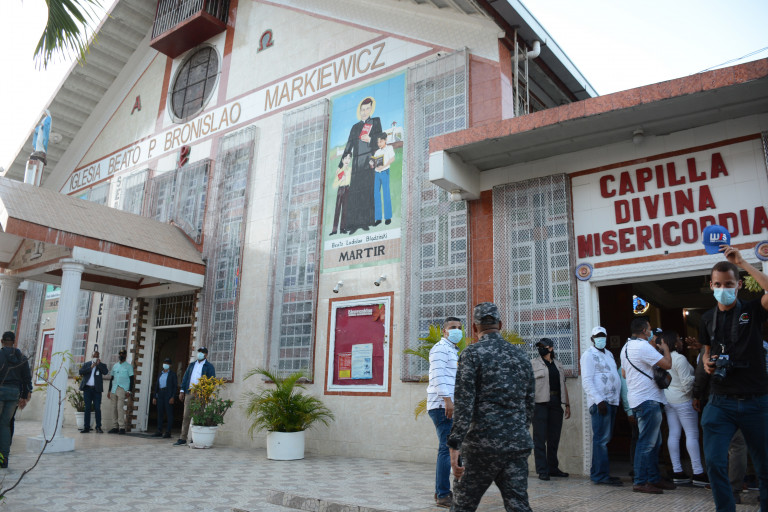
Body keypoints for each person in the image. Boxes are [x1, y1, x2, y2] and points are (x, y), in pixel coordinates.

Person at [447, 302, 535, 512]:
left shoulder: (472, 354)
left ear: (474, 327)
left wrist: (455, 444)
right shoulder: (521, 356)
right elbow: (529, 403)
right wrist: (517, 432)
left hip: (481, 447)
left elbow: (464, 403)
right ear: (500, 325)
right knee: (519, 506)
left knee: (462, 506)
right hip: (516, 445)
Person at [700, 246, 768, 512]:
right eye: (718, 284)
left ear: (738, 285)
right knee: (715, 463)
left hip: (756, 401)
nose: (723, 288)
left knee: (764, 467)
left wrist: (743, 263)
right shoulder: (707, 318)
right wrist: (706, 362)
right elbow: (707, 351)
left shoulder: (752, 310)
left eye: (728, 284)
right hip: (720, 401)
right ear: (711, 285)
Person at [620, 317, 674, 494]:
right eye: (649, 328)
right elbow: (667, 364)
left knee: (653, 443)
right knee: (646, 443)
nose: (651, 331)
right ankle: (641, 481)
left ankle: (653, 478)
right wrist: (665, 348)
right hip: (648, 400)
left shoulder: (625, 348)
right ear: (644, 330)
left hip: (638, 399)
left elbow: (625, 374)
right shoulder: (643, 346)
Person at [661, 331, 707, 486]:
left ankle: (677, 471)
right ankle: (698, 472)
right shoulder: (679, 358)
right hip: (683, 399)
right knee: (692, 435)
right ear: (674, 343)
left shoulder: (663, 358)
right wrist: (696, 390)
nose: (681, 341)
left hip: (669, 399)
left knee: (674, 434)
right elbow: (686, 383)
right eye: (679, 339)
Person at [427, 316, 462, 508]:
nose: (457, 330)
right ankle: (442, 494)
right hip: (442, 406)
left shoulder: (451, 350)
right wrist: (447, 400)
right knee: (446, 448)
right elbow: (438, 376)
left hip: (448, 405)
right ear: (444, 331)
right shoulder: (440, 348)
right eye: (453, 327)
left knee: (451, 448)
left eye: (460, 327)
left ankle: (442, 491)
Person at [580, 326, 622, 486]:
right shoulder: (588, 355)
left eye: (603, 335)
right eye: (597, 336)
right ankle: (600, 475)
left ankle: (599, 472)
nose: (601, 338)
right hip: (601, 403)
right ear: (592, 339)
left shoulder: (609, 354)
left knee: (605, 439)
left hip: (612, 401)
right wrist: (599, 400)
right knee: (601, 440)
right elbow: (587, 380)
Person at [339, 97, 382, 234]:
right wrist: (341, 164)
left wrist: (370, 139)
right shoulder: (355, 127)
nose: (364, 112)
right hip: (357, 165)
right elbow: (349, 145)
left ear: (371, 109)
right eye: (362, 109)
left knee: (368, 191)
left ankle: (366, 222)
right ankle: (353, 224)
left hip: (370, 161)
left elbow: (381, 141)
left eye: (367, 109)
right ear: (360, 110)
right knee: (355, 193)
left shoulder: (376, 122)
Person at [530, 337, 570, 481]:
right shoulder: (533, 363)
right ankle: (542, 470)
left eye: (544, 346)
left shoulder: (558, 365)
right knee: (540, 438)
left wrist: (567, 404)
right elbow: (528, 385)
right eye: (539, 347)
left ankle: (553, 468)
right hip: (539, 404)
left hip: (555, 403)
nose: (541, 349)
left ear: (551, 348)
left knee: (554, 438)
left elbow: (563, 384)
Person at [0, 331, 31, 468]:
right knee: (5, 424)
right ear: (14, 342)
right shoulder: (21, 357)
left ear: (2, 341)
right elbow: (26, 377)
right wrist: (24, 395)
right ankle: (4, 458)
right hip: (14, 393)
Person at [174, 347, 215, 446]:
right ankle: (183, 438)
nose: (200, 354)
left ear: (206, 355)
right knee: (186, 415)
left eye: (202, 352)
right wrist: (182, 391)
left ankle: (194, 438)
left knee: (198, 416)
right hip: (190, 392)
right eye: (199, 352)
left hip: (201, 393)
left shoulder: (209, 366)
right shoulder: (192, 365)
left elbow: (212, 381)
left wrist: (206, 393)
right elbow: (185, 378)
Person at [78, 350, 109, 433]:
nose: (95, 357)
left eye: (97, 356)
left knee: (97, 408)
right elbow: (80, 372)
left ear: (98, 357)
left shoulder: (102, 365)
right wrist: (91, 367)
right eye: (94, 356)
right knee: (87, 408)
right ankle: (86, 427)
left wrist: (98, 365)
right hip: (87, 389)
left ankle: (98, 427)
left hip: (96, 390)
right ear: (92, 356)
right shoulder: (87, 364)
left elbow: (105, 372)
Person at [107, 348, 134, 434]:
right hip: (114, 388)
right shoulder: (115, 365)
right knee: (113, 408)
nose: (121, 355)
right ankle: (115, 427)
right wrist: (109, 390)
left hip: (122, 388)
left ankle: (122, 427)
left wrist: (129, 391)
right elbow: (112, 378)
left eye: (123, 354)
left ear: (125, 356)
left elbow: (132, 379)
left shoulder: (129, 366)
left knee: (120, 408)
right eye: (120, 354)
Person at [370, 132, 394, 226]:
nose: (379, 143)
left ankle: (388, 217)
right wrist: (372, 164)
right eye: (378, 142)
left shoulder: (389, 148)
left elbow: (392, 159)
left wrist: (384, 166)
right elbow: (373, 162)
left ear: (385, 140)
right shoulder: (377, 152)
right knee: (376, 194)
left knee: (386, 193)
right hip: (377, 173)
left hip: (385, 172)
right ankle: (378, 218)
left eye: (381, 141)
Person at [152, 357, 178, 438]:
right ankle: (159, 430)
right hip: (160, 394)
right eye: (165, 363)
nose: (165, 365)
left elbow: (175, 386)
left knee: (169, 413)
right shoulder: (161, 374)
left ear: (170, 365)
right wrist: (154, 396)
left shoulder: (172, 374)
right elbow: (157, 385)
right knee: (160, 413)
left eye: (167, 363)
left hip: (168, 394)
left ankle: (168, 432)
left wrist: (173, 397)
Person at [329, 152, 352, 236]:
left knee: (345, 209)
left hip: (347, 189)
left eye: (349, 158)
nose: (347, 160)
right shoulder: (339, 171)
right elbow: (334, 185)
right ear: (342, 160)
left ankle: (343, 228)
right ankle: (334, 230)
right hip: (341, 189)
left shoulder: (350, 169)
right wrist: (341, 180)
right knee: (337, 209)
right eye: (345, 158)